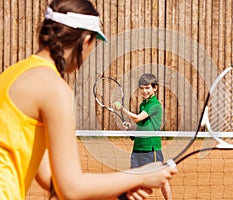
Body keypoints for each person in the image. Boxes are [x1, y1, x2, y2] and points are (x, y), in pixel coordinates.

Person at [0, 0, 177, 199]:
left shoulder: (13, 73)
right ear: (85, 41)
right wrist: (140, 177)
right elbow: (71, 189)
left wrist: (120, 187)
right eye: (94, 43)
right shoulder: (55, 89)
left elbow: (49, 176)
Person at [119, 73, 173, 200]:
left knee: (161, 179)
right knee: (135, 180)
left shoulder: (155, 105)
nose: (144, 91)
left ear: (155, 88)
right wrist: (130, 129)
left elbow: (138, 118)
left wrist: (123, 110)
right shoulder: (143, 105)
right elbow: (141, 125)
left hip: (151, 149)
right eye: (142, 88)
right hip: (138, 148)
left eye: (148, 88)